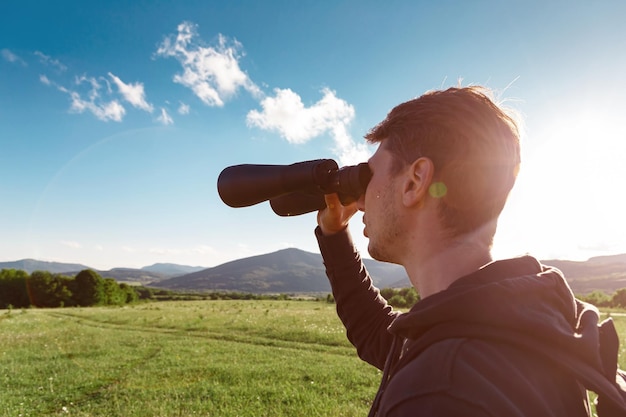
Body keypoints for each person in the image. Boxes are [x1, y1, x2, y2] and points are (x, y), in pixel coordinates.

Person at [314, 86, 626, 416]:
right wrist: (334, 234)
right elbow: (380, 335)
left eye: (370, 174)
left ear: (415, 181)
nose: (360, 200)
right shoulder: (524, 323)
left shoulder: (439, 390)